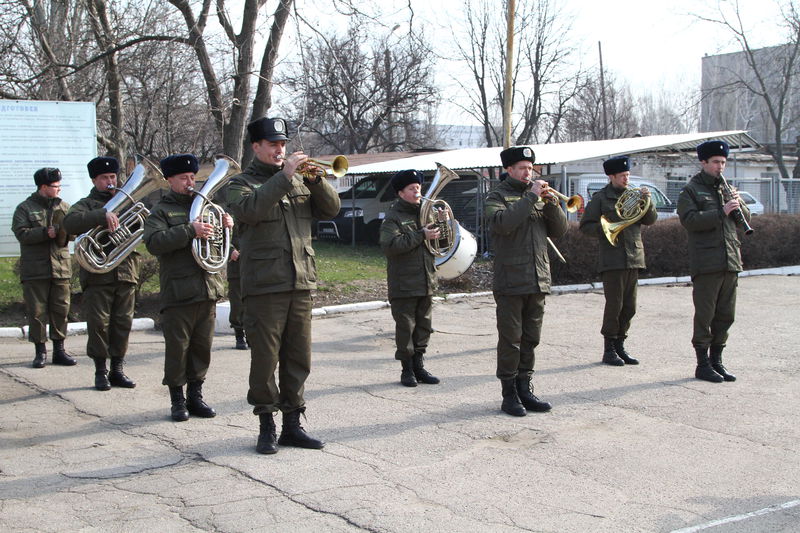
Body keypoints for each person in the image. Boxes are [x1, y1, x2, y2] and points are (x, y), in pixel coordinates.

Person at [226, 117, 340, 455]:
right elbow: (251, 210)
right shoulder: (241, 183)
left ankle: (293, 424)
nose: (280, 149)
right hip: (264, 286)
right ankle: (266, 425)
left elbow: (331, 209)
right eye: (273, 144)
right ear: (256, 147)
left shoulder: (302, 180)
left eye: (283, 144)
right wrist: (285, 175)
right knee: (265, 360)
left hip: (300, 282)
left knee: (298, 357)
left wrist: (315, 180)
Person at [143, 154, 233, 421]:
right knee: (177, 349)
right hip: (179, 292)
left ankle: (196, 396)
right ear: (170, 180)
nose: (190, 182)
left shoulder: (206, 207)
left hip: (207, 289)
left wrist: (227, 227)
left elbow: (218, 246)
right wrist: (188, 230)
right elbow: (154, 242)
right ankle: (177, 401)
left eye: (193, 177)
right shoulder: (161, 211)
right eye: (184, 178)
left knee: (202, 348)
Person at [484, 146, 568, 416]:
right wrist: (530, 198)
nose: (527, 172)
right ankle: (509, 394)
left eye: (530, 168)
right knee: (511, 340)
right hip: (511, 280)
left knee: (531, 339)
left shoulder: (540, 197)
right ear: (508, 170)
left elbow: (560, 231)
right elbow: (502, 224)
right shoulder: (497, 196)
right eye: (522, 168)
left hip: (538, 278)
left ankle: (525, 389)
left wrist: (552, 205)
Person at [63, 157, 139, 391]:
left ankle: (117, 369)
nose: (110, 181)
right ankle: (100, 371)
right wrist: (100, 216)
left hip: (125, 273)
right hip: (97, 276)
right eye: (105, 178)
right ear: (95, 180)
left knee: (122, 323)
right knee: (98, 325)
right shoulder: (86, 204)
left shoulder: (126, 201)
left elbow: (143, 224)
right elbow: (70, 223)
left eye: (113, 177)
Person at [677, 140, 749, 383]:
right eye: (716, 162)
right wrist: (721, 211)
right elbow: (689, 220)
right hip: (707, 263)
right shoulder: (692, 190)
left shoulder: (726, 188)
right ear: (704, 162)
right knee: (705, 316)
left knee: (726, 315)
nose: (720, 167)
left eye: (723, 163)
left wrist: (738, 204)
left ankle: (717, 360)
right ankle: (702, 363)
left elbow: (743, 220)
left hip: (730, 260)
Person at [578, 155, 657, 366]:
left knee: (630, 306)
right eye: (622, 175)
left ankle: (621, 345)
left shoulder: (635, 194)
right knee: (615, 305)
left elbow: (650, 219)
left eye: (628, 175)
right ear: (611, 176)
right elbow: (585, 226)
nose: (626, 179)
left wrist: (647, 202)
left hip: (634, 256)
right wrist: (608, 227)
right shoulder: (601, 198)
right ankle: (609, 348)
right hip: (612, 258)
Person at [379, 169, 441, 387]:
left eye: (418, 188)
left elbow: (436, 245)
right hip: (404, 282)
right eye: (411, 189)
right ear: (400, 193)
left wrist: (438, 232)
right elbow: (391, 246)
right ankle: (407, 370)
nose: (417, 192)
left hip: (426, 279)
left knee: (424, 326)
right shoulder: (393, 217)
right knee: (406, 328)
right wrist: (420, 234)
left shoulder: (426, 212)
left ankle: (419, 366)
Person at [12, 167, 77, 369]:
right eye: (55, 186)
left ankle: (60, 351)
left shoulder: (65, 207)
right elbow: (21, 233)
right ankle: (40, 352)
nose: (58, 189)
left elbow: (74, 233)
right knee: (37, 312)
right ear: (43, 187)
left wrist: (68, 231)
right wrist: (43, 233)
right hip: (36, 270)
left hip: (60, 268)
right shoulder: (25, 208)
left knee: (61, 310)